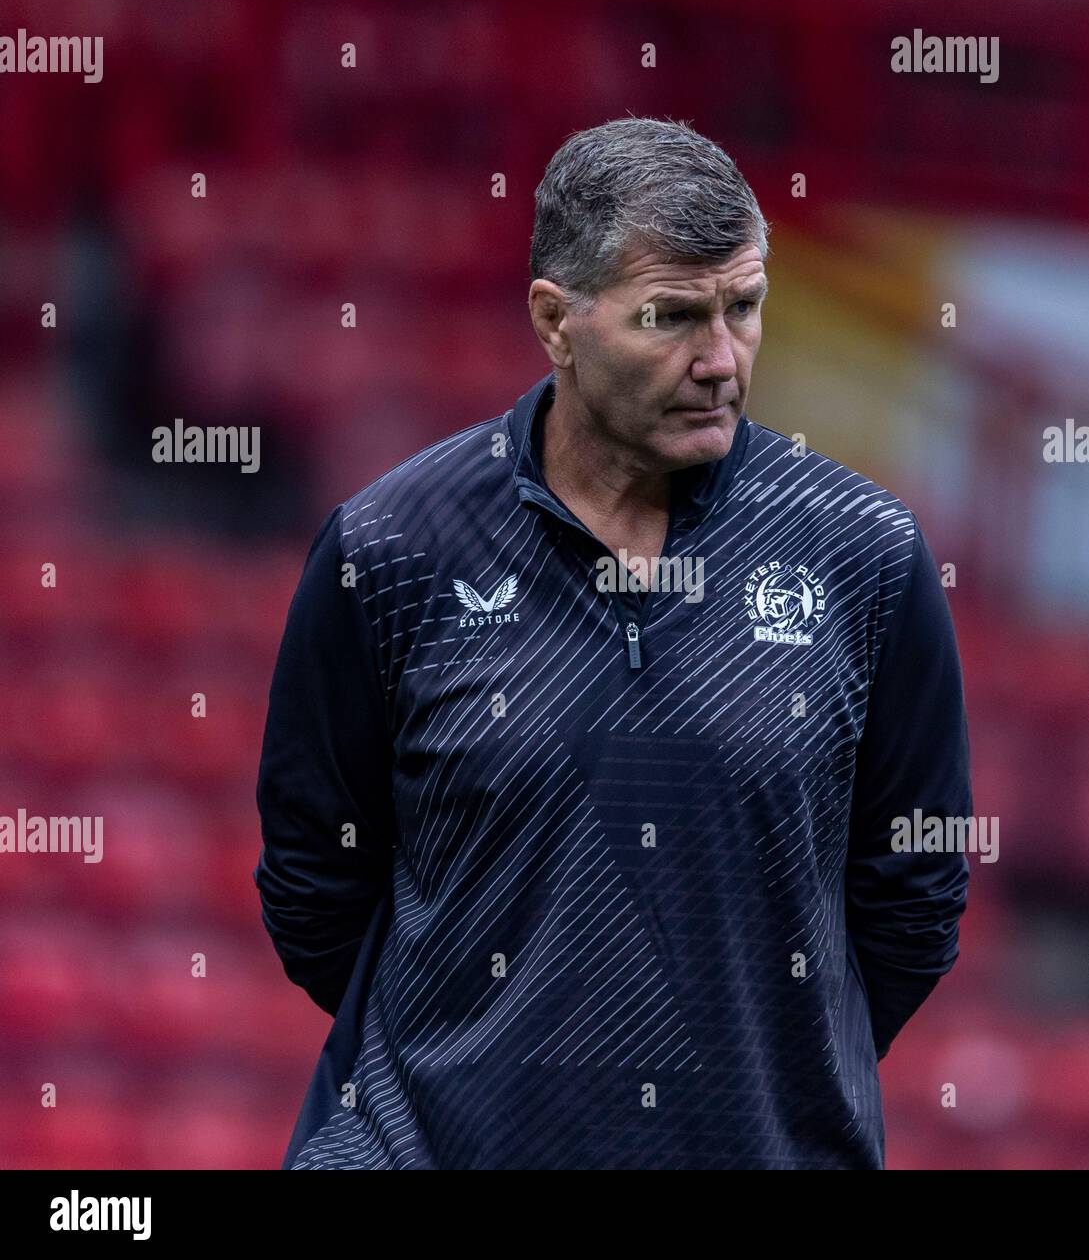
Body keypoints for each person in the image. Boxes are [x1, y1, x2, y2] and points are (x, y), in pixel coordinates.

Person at [254, 115, 972, 1170]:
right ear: (557, 320)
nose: (721, 360)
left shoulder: (864, 557)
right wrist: (484, 1070)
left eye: (745, 307)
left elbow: (912, 900)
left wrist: (748, 1073)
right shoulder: (391, 550)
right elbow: (315, 888)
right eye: (672, 317)